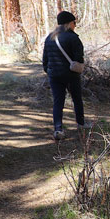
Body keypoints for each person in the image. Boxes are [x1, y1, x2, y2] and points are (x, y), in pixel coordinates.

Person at [42, 11, 89, 140]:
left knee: (58, 102)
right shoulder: (73, 38)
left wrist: (49, 71)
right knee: (77, 100)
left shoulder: (49, 37)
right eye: (74, 22)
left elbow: (45, 60)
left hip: (54, 75)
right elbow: (78, 58)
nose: (75, 25)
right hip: (71, 75)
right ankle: (81, 124)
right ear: (69, 23)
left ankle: (58, 129)